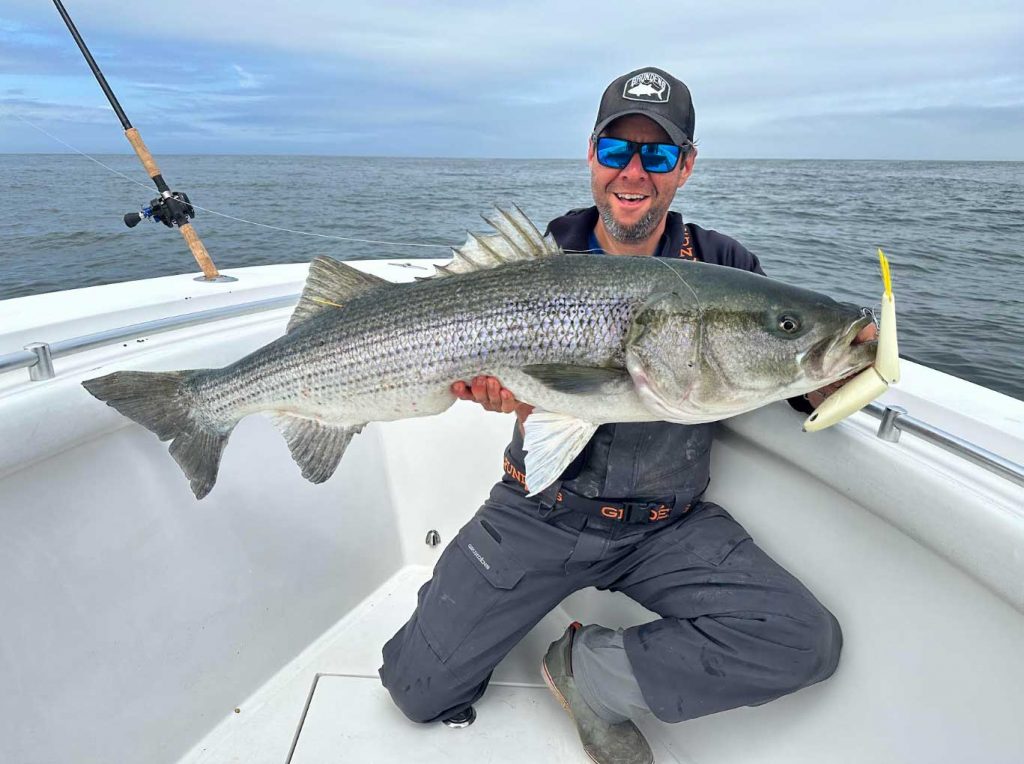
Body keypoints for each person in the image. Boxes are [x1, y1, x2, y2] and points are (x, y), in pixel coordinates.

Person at [379, 66, 873, 764]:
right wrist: (507, 394)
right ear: (592, 154)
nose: (633, 172)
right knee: (416, 690)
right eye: (616, 150)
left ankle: (589, 669)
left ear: (685, 166)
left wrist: (839, 369)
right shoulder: (544, 258)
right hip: (541, 510)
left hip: (668, 525)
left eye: (658, 154)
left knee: (804, 641)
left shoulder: (725, 264)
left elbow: (784, 373)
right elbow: (514, 377)